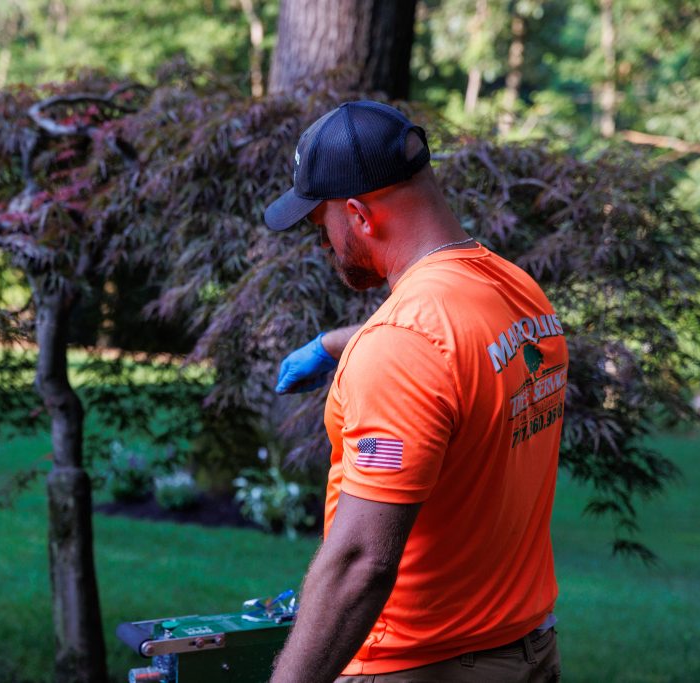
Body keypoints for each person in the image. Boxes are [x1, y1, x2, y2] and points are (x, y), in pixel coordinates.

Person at [263, 101, 567, 683]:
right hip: (526, 650)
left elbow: (361, 565)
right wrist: (333, 344)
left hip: (417, 665)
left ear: (358, 214)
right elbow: (453, 344)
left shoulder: (402, 347)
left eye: (318, 222)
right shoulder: (516, 290)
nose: (322, 242)